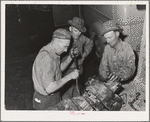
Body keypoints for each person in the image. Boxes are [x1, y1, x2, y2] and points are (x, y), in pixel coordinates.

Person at [32, 28, 79, 110]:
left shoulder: (52, 51)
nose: (66, 50)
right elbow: (49, 88)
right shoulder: (46, 58)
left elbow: (57, 70)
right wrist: (70, 76)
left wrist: (70, 58)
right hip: (45, 101)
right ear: (56, 42)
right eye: (65, 47)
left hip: (54, 97)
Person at [61, 17, 94, 98]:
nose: (78, 33)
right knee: (67, 91)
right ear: (70, 28)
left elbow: (90, 43)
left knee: (78, 88)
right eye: (76, 31)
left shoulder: (82, 38)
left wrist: (83, 55)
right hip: (66, 69)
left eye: (80, 31)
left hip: (79, 67)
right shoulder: (64, 38)